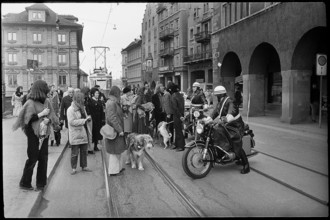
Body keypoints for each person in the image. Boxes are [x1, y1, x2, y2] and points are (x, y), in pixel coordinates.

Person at [12, 80, 59, 191]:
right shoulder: (30, 102)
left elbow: (52, 115)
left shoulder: (47, 101)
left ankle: (41, 184)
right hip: (33, 133)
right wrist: (41, 114)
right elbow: (27, 119)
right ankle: (25, 182)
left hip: (44, 133)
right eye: (45, 90)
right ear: (40, 91)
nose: (47, 92)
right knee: (33, 158)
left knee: (43, 158)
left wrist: (49, 120)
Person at [210, 85, 250, 174]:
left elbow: (231, 112)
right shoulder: (220, 102)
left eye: (217, 95)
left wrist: (225, 119)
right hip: (227, 125)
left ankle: (246, 165)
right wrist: (207, 120)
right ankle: (222, 152)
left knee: (235, 143)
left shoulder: (230, 101)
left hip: (236, 126)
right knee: (215, 132)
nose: (216, 97)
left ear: (221, 94)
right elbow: (215, 113)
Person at [67, 92, 92, 175]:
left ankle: (84, 166)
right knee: (74, 152)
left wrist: (88, 118)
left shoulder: (82, 108)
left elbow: (85, 117)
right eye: (83, 99)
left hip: (83, 132)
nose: (84, 100)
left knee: (84, 151)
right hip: (75, 134)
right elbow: (71, 122)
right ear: (79, 100)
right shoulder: (70, 109)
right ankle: (73, 168)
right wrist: (84, 120)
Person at [104, 86, 126, 176]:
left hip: (116, 130)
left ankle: (118, 168)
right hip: (114, 131)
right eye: (119, 93)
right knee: (114, 151)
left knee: (118, 151)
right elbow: (112, 118)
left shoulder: (113, 102)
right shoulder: (111, 103)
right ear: (116, 94)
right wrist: (119, 130)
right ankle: (113, 171)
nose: (120, 95)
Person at [170, 84, 186, 151]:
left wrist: (179, 116)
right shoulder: (181, 95)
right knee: (178, 130)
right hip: (181, 114)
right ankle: (177, 144)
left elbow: (175, 107)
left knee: (178, 130)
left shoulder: (173, 96)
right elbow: (182, 106)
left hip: (177, 115)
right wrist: (182, 115)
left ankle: (181, 146)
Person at [88, 87, 104, 151]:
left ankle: (95, 146)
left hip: (98, 120)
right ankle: (91, 147)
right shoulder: (90, 101)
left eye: (98, 93)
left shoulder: (100, 101)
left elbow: (102, 111)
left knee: (97, 132)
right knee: (93, 133)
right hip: (93, 119)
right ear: (92, 94)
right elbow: (89, 111)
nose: (97, 94)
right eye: (96, 93)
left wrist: (102, 119)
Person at [81, 87, 94, 154]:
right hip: (85, 118)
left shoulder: (88, 99)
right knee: (86, 134)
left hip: (88, 117)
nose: (89, 94)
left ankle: (89, 148)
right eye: (88, 92)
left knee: (89, 133)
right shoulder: (83, 100)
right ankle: (86, 149)